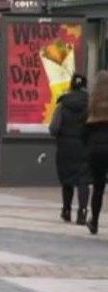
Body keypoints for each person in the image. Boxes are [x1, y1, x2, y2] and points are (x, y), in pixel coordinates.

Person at [50, 74, 90, 225]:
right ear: (85, 86)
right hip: (84, 146)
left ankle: (66, 210)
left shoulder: (62, 104)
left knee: (67, 179)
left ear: (71, 86)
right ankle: (83, 212)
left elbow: (54, 128)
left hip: (65, 147)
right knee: (83, 180)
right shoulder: (90, 104)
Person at [86, 71, 108, 235]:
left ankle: (94, 220)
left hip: (95, 150)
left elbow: (84, 130)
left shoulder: (91, 105)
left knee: (98, 187)